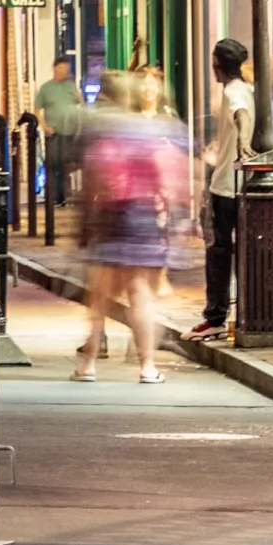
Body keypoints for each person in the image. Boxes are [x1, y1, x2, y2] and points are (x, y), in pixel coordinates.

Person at [75, 66, 191, 383]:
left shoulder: (103, 131)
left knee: (99, 298)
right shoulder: (151, 131)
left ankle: (88, 365)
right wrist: (174, 220)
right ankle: (147, 366)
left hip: (109, 216)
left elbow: (92, 180)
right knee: (141, 295)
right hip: (144, 216)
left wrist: (86, 224)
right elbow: (170, 177)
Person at [193, 36, 256, 341]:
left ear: (217, 65)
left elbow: (241, 114)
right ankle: (243, 312)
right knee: (240, 250)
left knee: (219, 252)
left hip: (227, 186)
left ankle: (216, 316)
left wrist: (243, 141)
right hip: (240, 185)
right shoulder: (246, 88)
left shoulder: (232, 92)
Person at [34, 57, 85, 221]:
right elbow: (37, 109)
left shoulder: (70, 87)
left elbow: (80, 104)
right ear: (55, 69)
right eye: (61, 69)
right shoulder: (46, 88)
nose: (64, 72)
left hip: (70, 131)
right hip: (53, 133)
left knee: (67, 165)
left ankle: (65, 198)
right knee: (53, 165)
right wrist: (44, 126)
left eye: (66, 69)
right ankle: (55, 198)